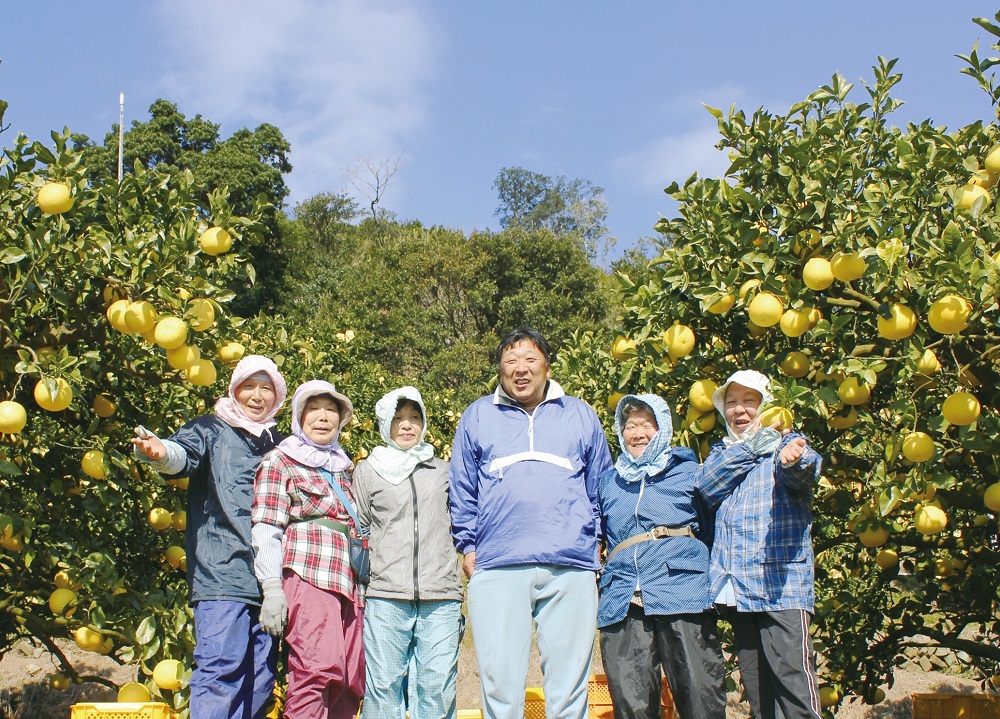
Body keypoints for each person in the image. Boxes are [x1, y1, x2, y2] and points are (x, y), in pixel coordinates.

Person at [450, 326, 613, 719]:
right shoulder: (478, 415)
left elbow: (600, 483)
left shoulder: (579, 414)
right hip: (498, 563)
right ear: (500, 369)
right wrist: (468, 547)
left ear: (547, 367)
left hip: (571, 565)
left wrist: (596, 540)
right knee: (500, 685)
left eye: (529, 359)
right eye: (510, 361)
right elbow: (462, 487)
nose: (520, 369)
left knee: (569, 687)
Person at [131, 354, 287, 719]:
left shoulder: (281, 443)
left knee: (261, 678)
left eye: (266, 388)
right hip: (222, 574)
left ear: (277, 395)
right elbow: (182, 454)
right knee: (221, 669)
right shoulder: (211, 429)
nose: (257, 396)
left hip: (271, 580)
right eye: (249, 386)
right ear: (235, 390)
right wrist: (161, 453)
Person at [696, 370, 823, 719]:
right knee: (758, 690)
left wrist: (795, 457)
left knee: (794, 687)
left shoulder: (785, 443)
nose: (740, 410)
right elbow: (706, 486)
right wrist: (752, 448)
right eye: (732, 402)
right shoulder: (722, 452)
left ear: (766, 405)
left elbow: (805, 467)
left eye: (749, 401)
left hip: (780, 586)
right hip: (738, 587)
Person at [597, 394, 726, 719]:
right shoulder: (609, 482)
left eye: (646, 425)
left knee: (700, 696)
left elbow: (711, 529)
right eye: (630, 426)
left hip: (682, 592)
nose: (638, 433)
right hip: (623, 599)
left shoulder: (689, 472)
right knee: (632, 704)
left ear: (663, 428)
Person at [250, 379, 365, 719]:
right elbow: (267, 526)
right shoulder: (280, 461)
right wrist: (272, 588)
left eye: (331, 410)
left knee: (351, 678)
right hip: (309, 573)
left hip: (350, 582)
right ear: (299, 417)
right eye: (313, 409)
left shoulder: (343, 466)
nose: (323, 417)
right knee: (316, 669)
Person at [353, 386, 464, 719]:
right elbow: (360, 527)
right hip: (386, 594)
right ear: (385, 424)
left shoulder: (443, 470)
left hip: (440, 594)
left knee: (438, 686)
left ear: (424, 423)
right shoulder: (369, 471)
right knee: (383, 686)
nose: (406, 425)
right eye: (398, 418)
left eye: (414, 417)